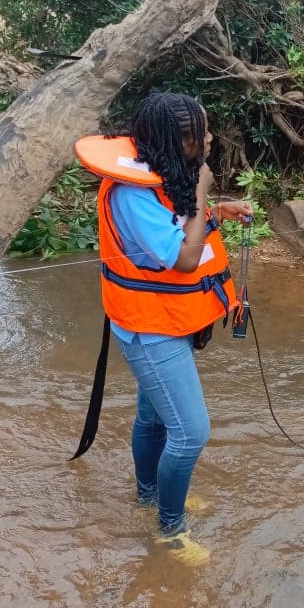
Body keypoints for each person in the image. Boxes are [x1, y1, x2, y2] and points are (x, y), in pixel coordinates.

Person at [75, 93, 252, 564]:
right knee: (191, 433)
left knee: (154, 419)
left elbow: (177, 229)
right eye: (202, 133)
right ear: (176, 142)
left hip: (167, 319)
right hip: (149, 327)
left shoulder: (159, 173)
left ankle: (150, 498)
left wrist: (216, 211)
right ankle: (170, 532)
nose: (211, 138)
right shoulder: (132, 192)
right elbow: (183, 257)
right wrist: (202, 191)